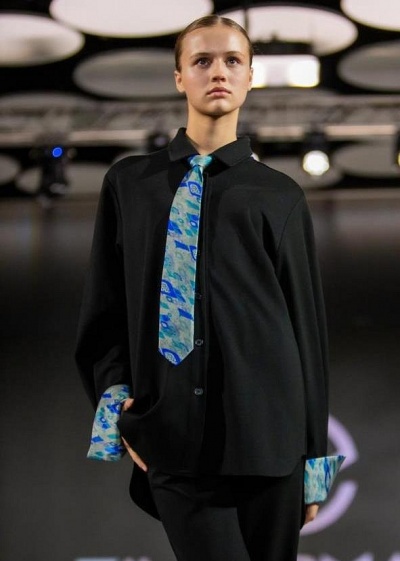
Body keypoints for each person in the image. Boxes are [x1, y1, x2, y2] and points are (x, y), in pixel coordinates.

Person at [75, 15, 344, 561]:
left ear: (249, 77)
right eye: (202, 60)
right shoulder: (130, 184)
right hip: (172, 440)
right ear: (179, 77)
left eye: (232, 61)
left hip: (271, 444)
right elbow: (105, 314)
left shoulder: (280, 195)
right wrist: (121, 413)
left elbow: (306, 332)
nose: (218, 72)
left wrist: (314, 463)